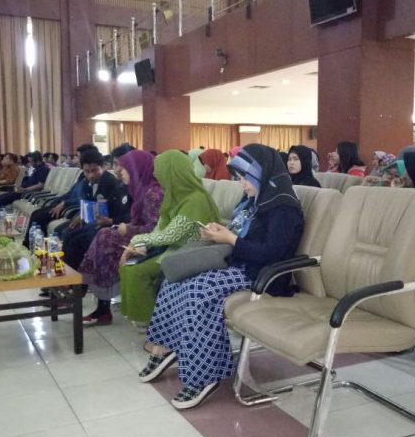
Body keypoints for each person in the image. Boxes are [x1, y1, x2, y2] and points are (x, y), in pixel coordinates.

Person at [138, 144, 304, 409]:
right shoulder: (256, 199)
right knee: (175, 278)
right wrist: (221, 232)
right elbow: (241, 232)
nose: (242, 184)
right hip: (237, 264)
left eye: (246, 178)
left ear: (262, 174)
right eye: (239, 178)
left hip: (261, 275)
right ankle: (165, 346)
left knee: (198, 290)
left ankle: (205, 376)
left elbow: (272, 253)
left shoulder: (283, 207)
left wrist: (230, 239)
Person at [118, 150, 221, 325]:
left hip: (189, 254)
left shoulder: (195, 200)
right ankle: (148, 319)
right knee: (128, 267)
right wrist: (141, 245)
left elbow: (170, 235)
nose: (158, 178)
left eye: (161, 173)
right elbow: (159, 229)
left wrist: (136, 240)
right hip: (172, 250)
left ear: (172, 173)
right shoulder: (174, 196)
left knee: (137, 272)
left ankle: (154, 323)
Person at [78, 150, 163, 325]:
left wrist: (128, 229)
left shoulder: (152, 194)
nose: (118, 171)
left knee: (104, 238)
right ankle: (95, 298)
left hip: (153, 243)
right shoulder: (141, 189)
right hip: (140, 237)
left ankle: (91, 295)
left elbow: (154, 229)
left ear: (137, 169)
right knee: (102, 236)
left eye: (124, 168)